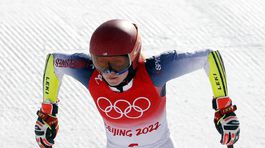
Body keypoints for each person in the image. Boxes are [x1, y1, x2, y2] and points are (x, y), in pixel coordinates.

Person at [34, 19, 240, 148]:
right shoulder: (89, 72)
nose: (109, 72)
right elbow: (54, 62)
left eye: (117, 63)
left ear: (133, 56)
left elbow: (209, 58)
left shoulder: (155, 71)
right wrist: (48, 112)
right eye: (100, 62)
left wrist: (224, 108)